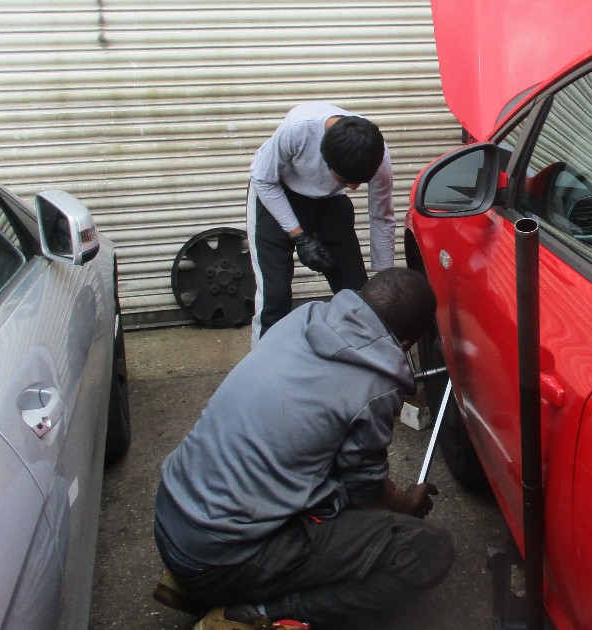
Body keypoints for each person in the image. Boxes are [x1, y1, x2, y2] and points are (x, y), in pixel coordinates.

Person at [152, 267, 453, 629]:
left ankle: (203, 585)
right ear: (406, 344)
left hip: (173, 520)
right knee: (426, 551)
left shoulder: (303, 320)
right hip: (221, 555)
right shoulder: (375, 383)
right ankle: (255, 611)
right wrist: (406, 502)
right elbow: (366, 493)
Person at [247, 101, 396, 343]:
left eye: (360, 181)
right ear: (325, 159)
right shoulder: (298, 130)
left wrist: (386, 275)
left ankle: (369, 359)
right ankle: (263, 368)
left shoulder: (378, 157)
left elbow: (381, 216)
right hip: (276, 193)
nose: (354, 188)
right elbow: (263, 178)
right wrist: (299, 237)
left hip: (329, 201)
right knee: (275, 295)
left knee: (357, 293)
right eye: (347, 180)